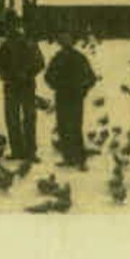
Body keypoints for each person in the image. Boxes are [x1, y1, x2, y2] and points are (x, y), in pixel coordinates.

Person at [0, 14, 45, 162]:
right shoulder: (5, 45)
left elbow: (40, 63)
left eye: (13, 25)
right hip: (11, 86)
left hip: (26, 86)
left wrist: (27, 74)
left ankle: (30, 151)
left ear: (18, 26)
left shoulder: (30, 43)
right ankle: (17, 150)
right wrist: (5, 75)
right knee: (12, 118)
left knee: (29, 118)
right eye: (8, 26)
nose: (11, 29)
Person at [44, 32, 96, 169]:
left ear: (72, 42)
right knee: (62, 127)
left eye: (67, 39)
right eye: (62, 39)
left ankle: (80, 159)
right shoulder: (57, 58)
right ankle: (68, 157)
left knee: (75, 127)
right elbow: (47, 76)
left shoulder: (79, 58)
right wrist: (56, 86)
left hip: (75, 98)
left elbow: (91, 78)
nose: (64, 42)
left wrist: (82, 91)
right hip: (62, 97)